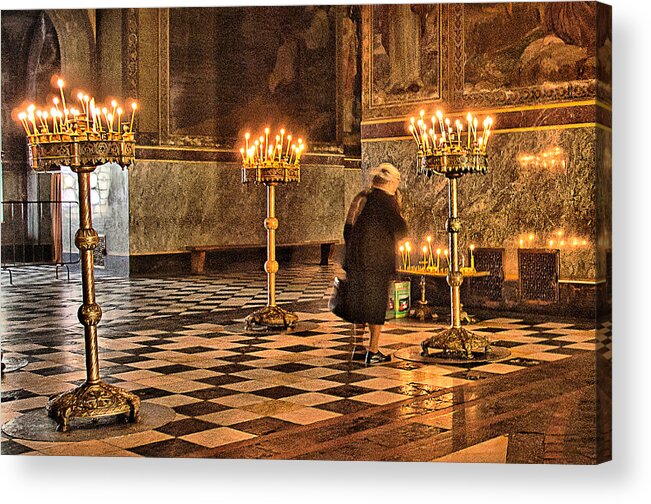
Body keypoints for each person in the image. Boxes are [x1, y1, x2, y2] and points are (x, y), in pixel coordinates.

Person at [343, 162, 408, 365]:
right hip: (376, 262)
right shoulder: (386, 201)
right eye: (397, 182)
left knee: (358, 302)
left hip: (355, 260)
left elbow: (348, 228)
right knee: (375, 305)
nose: (397, 185)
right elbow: (401, 229)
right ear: (390, 182)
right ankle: (373, 350)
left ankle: (358, 348)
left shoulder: (363, 197)